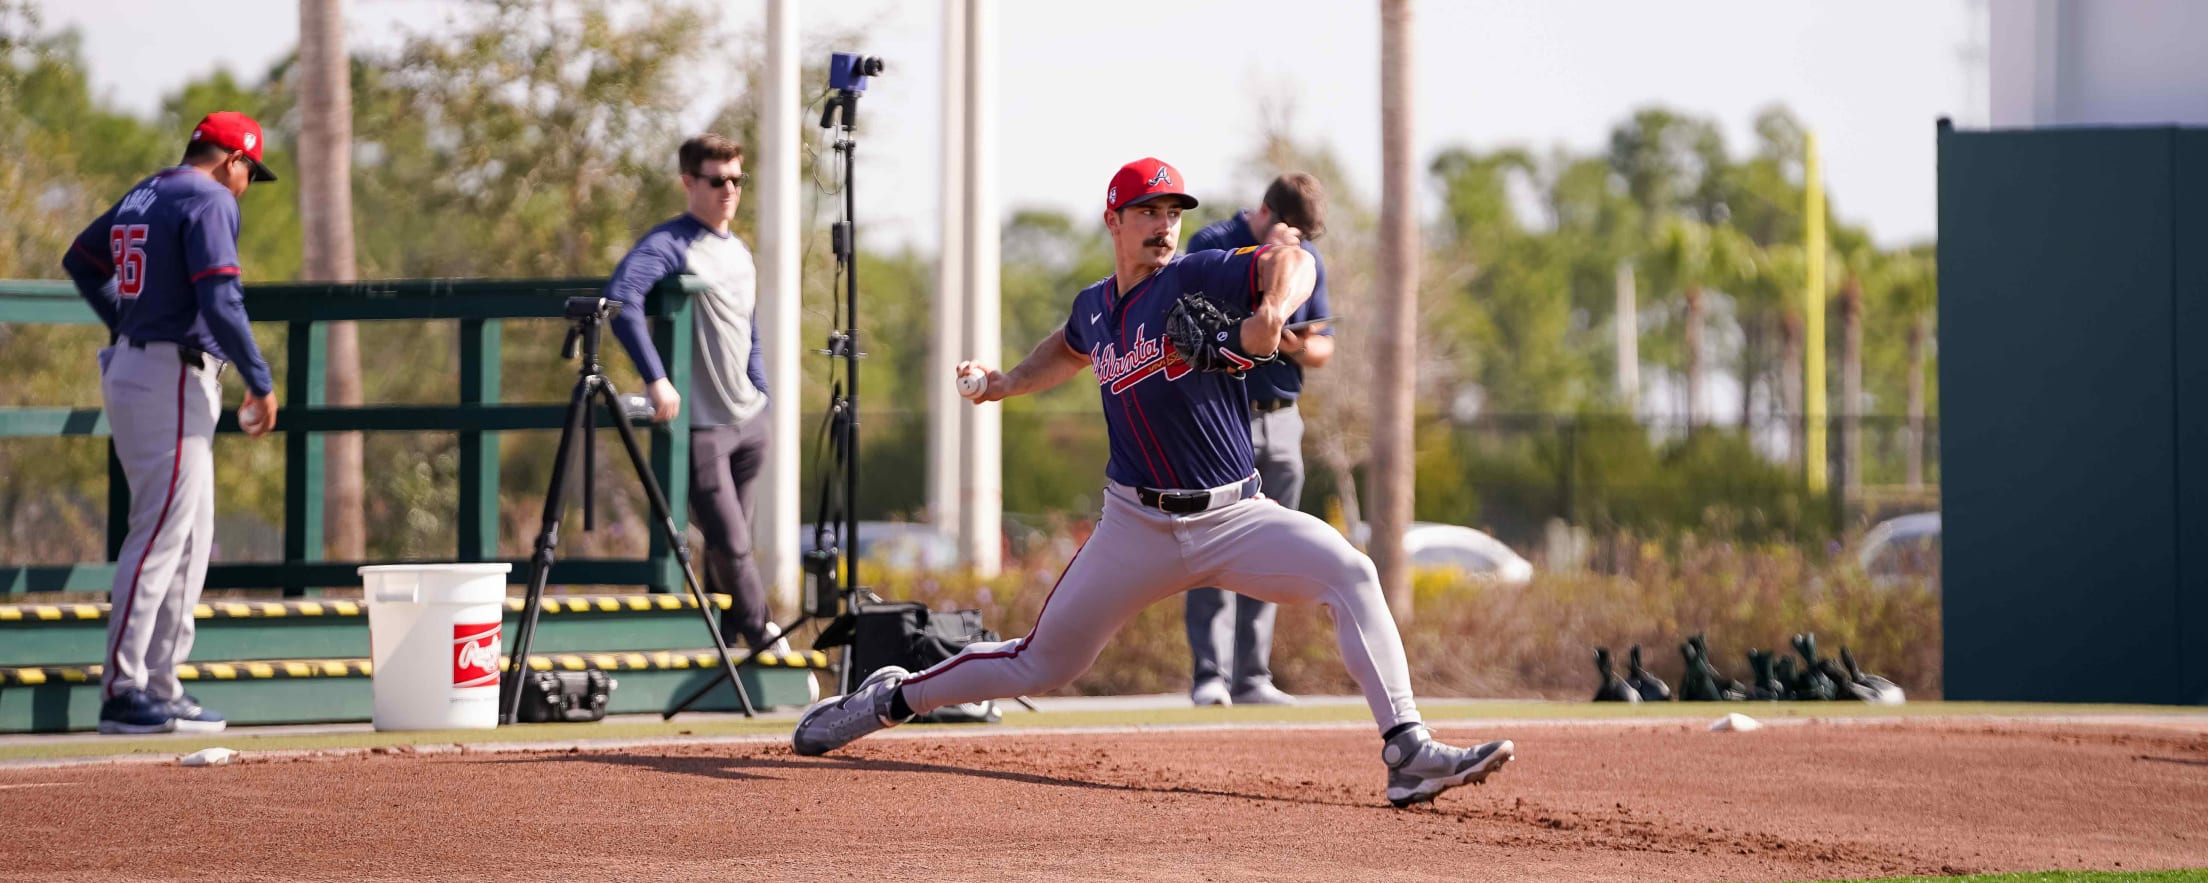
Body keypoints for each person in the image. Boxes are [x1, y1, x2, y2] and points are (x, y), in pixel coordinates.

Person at [792, 158, 1514, 808]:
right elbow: (1071, 345)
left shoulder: (1197, 274)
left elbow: (1292, 259)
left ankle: (1407, 750)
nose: (1164, 225)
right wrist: (1007, 382)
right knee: (1044, 662)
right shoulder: (1096, 306)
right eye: (1147, 211)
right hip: (1134, 527)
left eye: (1173, 212)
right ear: (1114, 220)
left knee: (1351, 572)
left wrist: (1270, 312)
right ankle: (891, 698)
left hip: (1236, 515)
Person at [61, 111, 282, 734]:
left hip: (149, 368)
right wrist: (261, 380)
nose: (246, 186)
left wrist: (126, 323)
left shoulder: (146, 191)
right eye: (249, 173)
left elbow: (81, 260)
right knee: (159, 535)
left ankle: (161, 682)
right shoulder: (210, 196)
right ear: (232, 160)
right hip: (169, 376)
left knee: (188, 537)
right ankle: (124, 688)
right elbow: (221, 297)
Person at [599, 134, 784, 655]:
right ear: (688, 183)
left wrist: (761, 391)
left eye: (736, 180)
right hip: (701, 428)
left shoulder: (738, 250)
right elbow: (622, 299)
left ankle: (724, 650)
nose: (729, 190)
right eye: (716, 180)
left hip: (749, 423)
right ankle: (766, 638)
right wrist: (657, 377)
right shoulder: (671, 244)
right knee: (731, 542)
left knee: (730, 549)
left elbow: (749, 331)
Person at [1180, 172, 1334, 707]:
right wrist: (1265, 278)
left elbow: (1323, 348)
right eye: (1292, 231)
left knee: (1270, 553)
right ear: (1268, 212)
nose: (1300, 245)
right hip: (1225, 416)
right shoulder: (1212, 244)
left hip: (1282, 417)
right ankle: (1209, 676)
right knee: (1213, 546)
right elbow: (1197, 327)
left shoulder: (1306, 257)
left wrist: (1291, 342)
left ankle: (1252, 677)